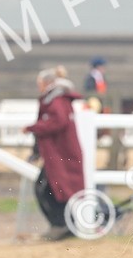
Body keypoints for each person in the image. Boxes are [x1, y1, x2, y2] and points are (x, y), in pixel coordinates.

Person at [23, 66, 86, 241]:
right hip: (58, 155)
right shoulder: (57, 99)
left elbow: (58, 122)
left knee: (46, 189)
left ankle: (61, 225)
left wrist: (32, 128)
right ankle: (65, 225)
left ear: (46, 83)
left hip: (59, 155)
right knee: (53, 189)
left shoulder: (56, 100)